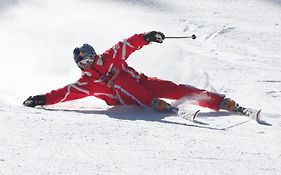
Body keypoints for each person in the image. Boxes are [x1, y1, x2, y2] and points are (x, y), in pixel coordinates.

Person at [23, 31, 243, 114]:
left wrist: (146, 37)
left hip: (144, 85)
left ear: (94, 55)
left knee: (174, 88)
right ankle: (154, 103)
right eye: (83, 64)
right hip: (125, 99)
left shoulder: (110, 57)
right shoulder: (85, 83)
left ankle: (217, 101)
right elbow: (64, 93)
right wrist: (42, 98)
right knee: (117, 80)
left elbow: (127, 44)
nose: (87, 66)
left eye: (89, 60)